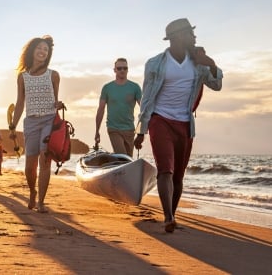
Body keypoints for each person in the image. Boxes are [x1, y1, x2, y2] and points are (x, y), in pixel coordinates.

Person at [134, 18, 223, 233]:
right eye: (190, 34)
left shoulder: (198, 62)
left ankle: (172, 215)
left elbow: (217, 85)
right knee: (165, 170)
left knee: (179, 175)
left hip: (185, 123)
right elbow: (147, 98)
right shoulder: (155, 63)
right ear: (178, 37)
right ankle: (168, 217)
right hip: (160, 120)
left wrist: (210, 63)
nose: (194, 38)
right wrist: (142, 130)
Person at [9, 35, 63, 213]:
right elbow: (19, 103)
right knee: (30, 165)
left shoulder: (53, 75)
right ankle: (33, 191)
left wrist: (59, 104)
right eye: (40, 48)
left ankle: (41, 202)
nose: (42, 52)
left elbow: (56, 100)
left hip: (49, 120)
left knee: (45, 159)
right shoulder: (22, 77)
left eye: (46, 50)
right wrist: (13, 125)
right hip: (31, 122)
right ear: (32, 51)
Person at [94, 58, 142, 156]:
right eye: (119, 68)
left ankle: (118, 168)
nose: (122, 70)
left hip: (129, 130)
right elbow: (101, 110)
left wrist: (140, 132)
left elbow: (144, 109)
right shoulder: (107, 88)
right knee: (122, 157)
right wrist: (97, 131)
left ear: (128, 69)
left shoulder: (135, 87)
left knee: (128, 160)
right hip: (113, 128)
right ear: (114, 70)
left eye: (125, 68)